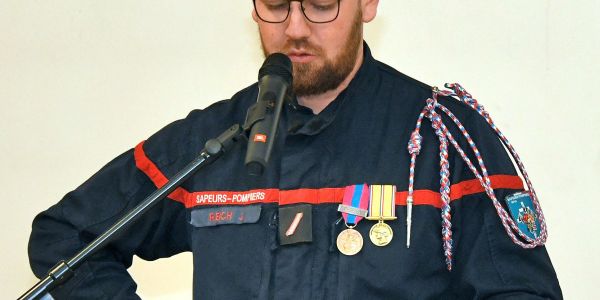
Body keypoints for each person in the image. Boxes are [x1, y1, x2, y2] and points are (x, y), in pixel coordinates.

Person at [28, 0, 563, 299]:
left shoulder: (446, 138)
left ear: (367, 3)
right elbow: (66, 238)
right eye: (277, 6)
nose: (297, 29)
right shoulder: (211, 142)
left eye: (322, 5)